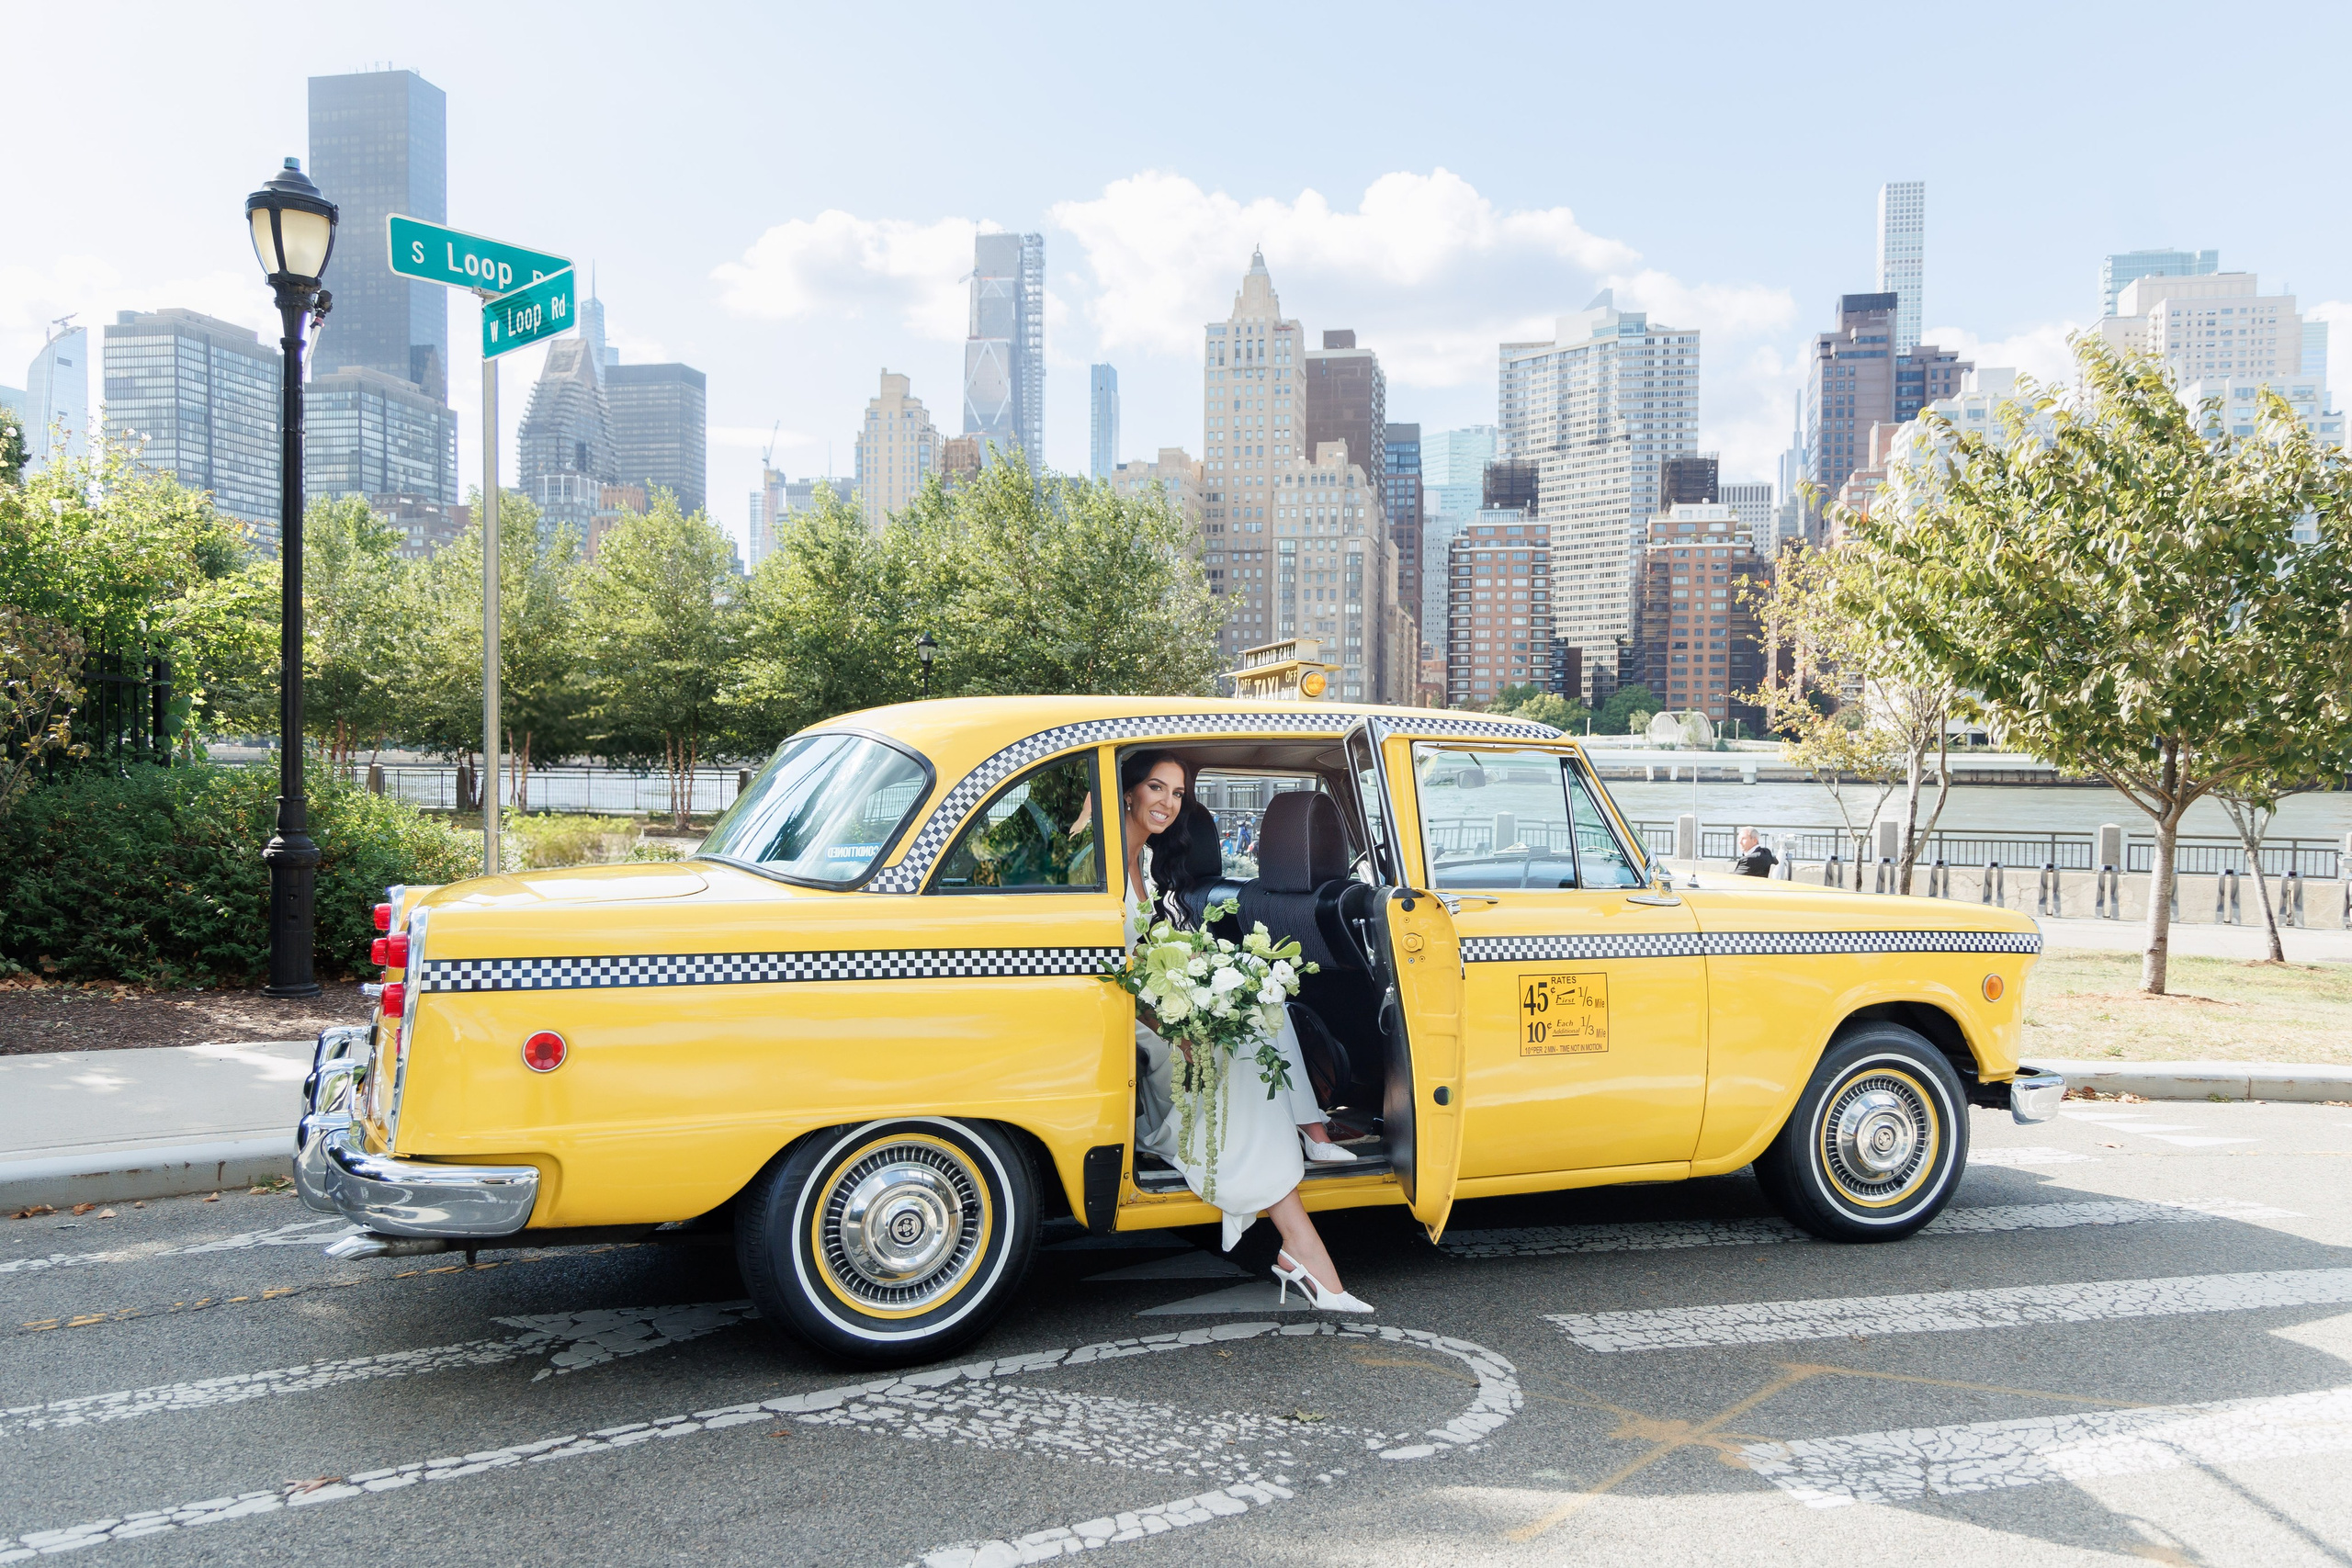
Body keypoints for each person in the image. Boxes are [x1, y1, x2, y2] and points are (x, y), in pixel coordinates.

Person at [1118, 750, 1371, 1313]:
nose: (1167, 803)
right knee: (1237, 1059)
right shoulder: (1103, 862)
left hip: (1160, 1006)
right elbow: (1111, 972)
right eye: (1156, 788)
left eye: (1178, 794)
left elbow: (1157, 955)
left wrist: (1204, 994)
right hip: (1130, 1021)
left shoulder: (1151, 862)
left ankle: (1312, 1135)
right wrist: (1176, 1021)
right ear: (1128, 791)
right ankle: (1304, 1246)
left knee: (1263, 1005)